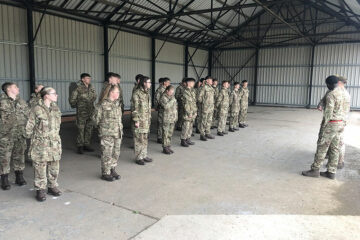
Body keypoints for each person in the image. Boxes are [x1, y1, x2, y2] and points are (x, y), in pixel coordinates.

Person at [302, 75, 345, 180]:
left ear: (329, 84)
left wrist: (324, 126)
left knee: (322, 147)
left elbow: (329, 112)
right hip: (341, 123)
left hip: (331, 123)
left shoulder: (331, 94)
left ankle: (315, 170)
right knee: (335, 148)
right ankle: (331, 172)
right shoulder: (343, 93)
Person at [25, 87, 62, 201]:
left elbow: (58, 125)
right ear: (46, 95)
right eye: (54, 93)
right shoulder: (36, 109)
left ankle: (52, 186)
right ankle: (40, 189)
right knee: (40, 166)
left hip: (54, 142)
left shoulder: (55, 108)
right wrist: (34, 140)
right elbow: (29, 127)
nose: (56, 95)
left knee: (54, 166)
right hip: (41, 143)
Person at [0, 82, 29, 190]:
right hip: (5, 135)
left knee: (20, 155)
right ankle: (4, 178)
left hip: (20, 134)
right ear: (8, 89)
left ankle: (19, 176)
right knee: (4, 157)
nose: (18, 88)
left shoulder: (21, 102)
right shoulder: (1, 102)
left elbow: (28, 115)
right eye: (15, 87)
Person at [318, 75, 351, 169]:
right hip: (341, 121)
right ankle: (334, 163)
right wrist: (320, 104)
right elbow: (324, 99)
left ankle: (338, 162)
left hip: (334, 121)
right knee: (336, 143)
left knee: (331, 143)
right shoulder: (335, 92)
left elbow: (330, 110)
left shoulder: (339, 93)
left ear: (340, 82)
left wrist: (325, 123)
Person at [93, 85, 123, 181]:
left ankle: (112, 169)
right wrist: (103, 128)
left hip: (117, 132)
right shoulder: (102, 105)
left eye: (118, 92)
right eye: (117, 92)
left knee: (116, 152)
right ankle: (105, 172)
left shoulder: (118, 104)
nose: (118, 94)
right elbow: (95, 120)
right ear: (111, 92)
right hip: (107, 133)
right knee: (107, 153)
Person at [69, 73, 97, 154]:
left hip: (90, 111)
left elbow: (95, 96)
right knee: (81, 129)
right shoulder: (78, 88)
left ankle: (86, 144)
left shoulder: (91, 87)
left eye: (89, 78)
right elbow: (72, 99)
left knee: (89, 128)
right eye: (87, 78)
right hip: (81, 112)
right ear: (83, 79)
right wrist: (78, 105)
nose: (89, 79)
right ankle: (80, 146)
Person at [131, 76, 153, 165]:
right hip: (140, 120)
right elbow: (134, 108)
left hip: (146, 120)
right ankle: (138, 157)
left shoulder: (147, 93)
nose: (150, 84)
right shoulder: (137, 93)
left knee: (145, 139)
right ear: (144, 83)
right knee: (139, 139)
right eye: (149, 82)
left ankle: (144, 155)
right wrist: (136, 120)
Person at [159, 85, 177, 154]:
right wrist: (172, 100)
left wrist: (176, 116)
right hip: (166, 118)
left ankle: (168, 146)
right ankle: (165, 147)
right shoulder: (163, 97)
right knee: (165, 133)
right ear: (167, 91)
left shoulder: (172, 97)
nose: (172, 93)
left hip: (172, 118)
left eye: (173, 92)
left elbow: (175, 108)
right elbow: (166, 106)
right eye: (171, 92)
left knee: (170, 133)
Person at [197, 76, 215, 141]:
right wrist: (203, 104)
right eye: (210, 80)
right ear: (207, 80)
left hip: (211, 107)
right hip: (205, 107)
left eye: (211, 80)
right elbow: (199, 97)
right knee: (203, 121)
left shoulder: (212, 88)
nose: (211, 81)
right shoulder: (204, 87)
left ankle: (207, 133)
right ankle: (202, 135)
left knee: (209, 121)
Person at [181, 77, 197, 147]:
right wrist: (189, 113)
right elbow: (186, 104)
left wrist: (195, 111)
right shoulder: (185, 91)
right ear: (188, 83)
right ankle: (183, 140)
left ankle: (188, 138)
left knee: (190, 126)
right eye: (192, 82)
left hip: (192, 111)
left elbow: (194, 102)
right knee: (186, 126)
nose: (193, 84)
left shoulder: (192, 91)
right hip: (188, 112)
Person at [155, 77, 171, 144]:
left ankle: (164, 136)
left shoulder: (168, 89)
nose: (169, 83)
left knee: (165, 123)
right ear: (164, 83)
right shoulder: (160, 89)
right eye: (168, 82)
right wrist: (158, 106)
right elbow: (157, 99)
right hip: (162, 108)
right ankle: (159, 137)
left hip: (167, 108)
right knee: (161, 123)